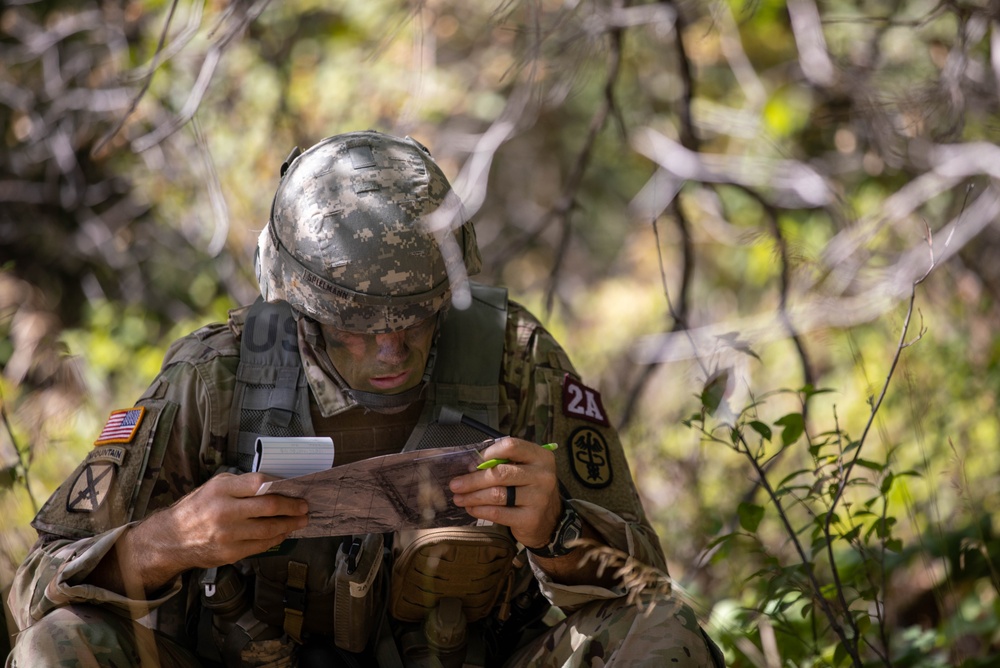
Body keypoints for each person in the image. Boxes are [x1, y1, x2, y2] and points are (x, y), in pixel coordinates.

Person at [5, 130, 724, 667]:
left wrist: (557, 530)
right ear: (294, 305)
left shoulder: (516, 363)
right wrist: (170, 540)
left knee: (663, 639)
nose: (391, 349)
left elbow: (639, 589)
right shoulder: (213, 378)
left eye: (418, 319)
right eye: (355, 326)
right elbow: (34, 590)